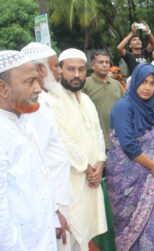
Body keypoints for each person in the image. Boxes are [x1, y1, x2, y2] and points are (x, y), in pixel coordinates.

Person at [106, 63, 154, 250]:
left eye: (152, 83)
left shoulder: (153, 108)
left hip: (145, 179)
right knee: (127, 227)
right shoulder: (123, 106)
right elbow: (128, 145)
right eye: (143, 82)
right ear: (135, 81)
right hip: (124, 180)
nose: (147, 88)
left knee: (149, 225)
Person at [0, 50, 57, 250]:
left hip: (40, 236)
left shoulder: (22, 120)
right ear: (3, 88)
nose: (38, 88)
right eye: (29, 82)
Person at [53, 48, 107, 251]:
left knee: (84, 233)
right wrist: (87, 168)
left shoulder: (87, 100)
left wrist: (100, 164)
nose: (76, 74)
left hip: (90, 181)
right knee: (68, 237)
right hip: (70, 182)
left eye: (81, 70)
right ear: (59, 70)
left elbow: (99, 134)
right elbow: (63, 141)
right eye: (70, 69)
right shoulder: (53, 101)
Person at [21, 42, 72, 250]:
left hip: (56, 198)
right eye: (55, 66)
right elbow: (36, 163)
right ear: (41, 69)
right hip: (51, 204)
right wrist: (53, 211)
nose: (59, 71)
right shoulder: (36, 106)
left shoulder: (46, 100)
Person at [83, 50, 124, 150]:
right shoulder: (85, 84)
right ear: (92, 65)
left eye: (107, 62)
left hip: (117, 141)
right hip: (95, 141)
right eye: (101, 62)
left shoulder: (117, 85)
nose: (105, 65)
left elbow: (124, 110)